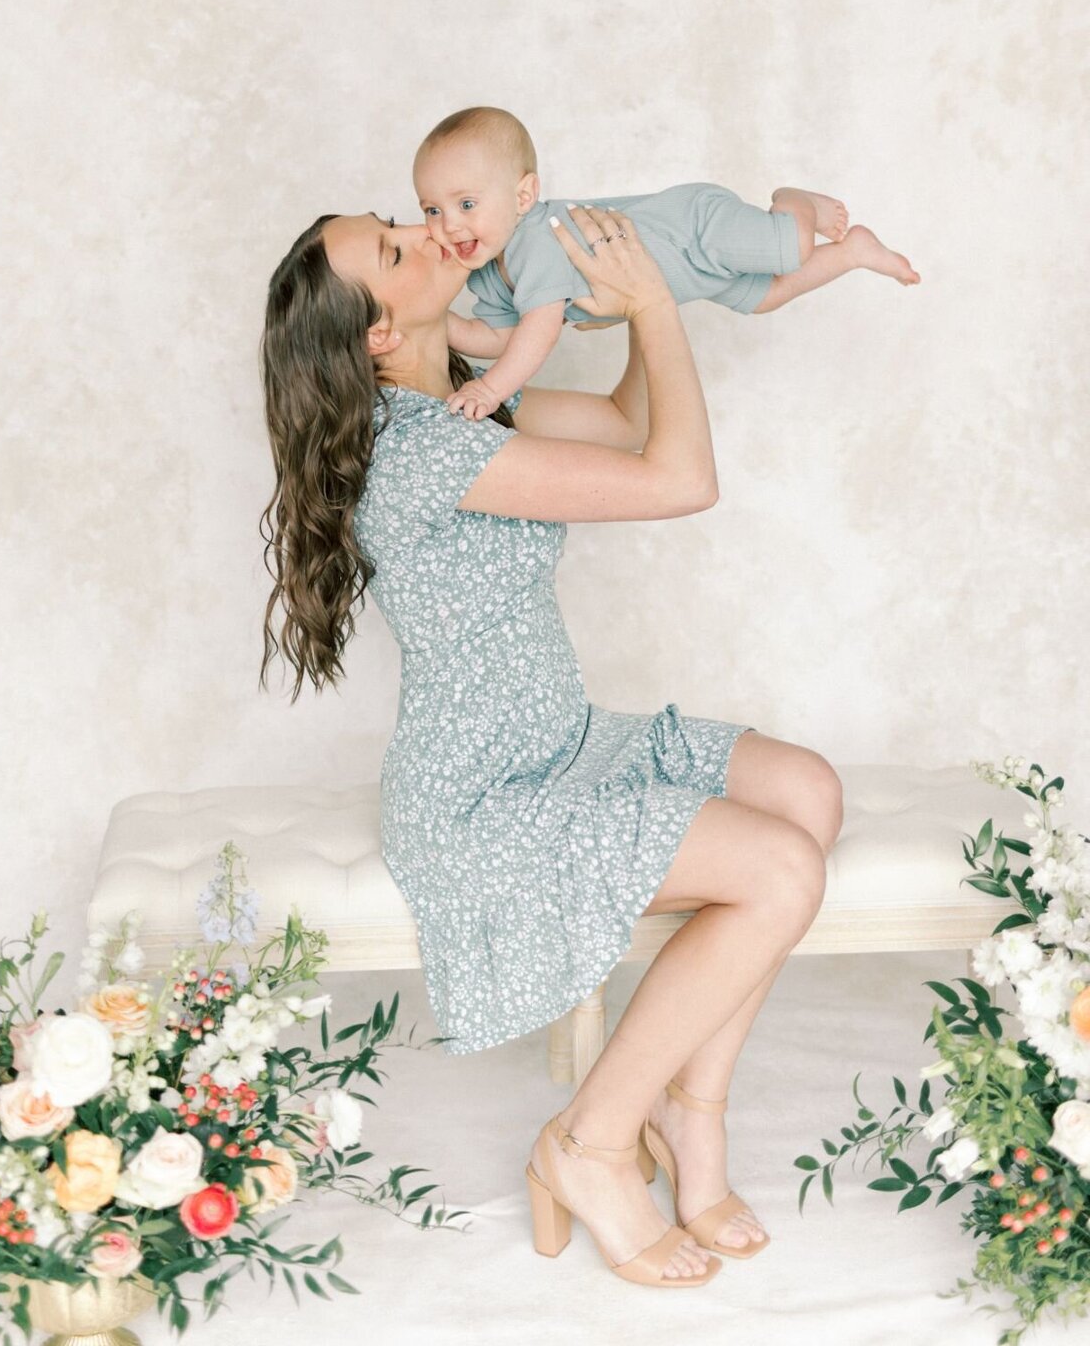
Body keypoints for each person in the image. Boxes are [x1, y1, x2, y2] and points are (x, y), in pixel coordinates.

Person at [259, 199, 843, 1288]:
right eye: (396, 250)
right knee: (779, 870)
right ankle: (589, 1143)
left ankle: (685, 1106)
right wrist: (658, 303)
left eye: (398, 221)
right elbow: (679, 480)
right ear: (379, 333)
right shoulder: (418, 450)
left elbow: (628, 424)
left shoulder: (477, 401)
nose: (425, 230)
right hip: (483, 793)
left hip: (560, 739)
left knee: (805, 791)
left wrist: (623, 301)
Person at [410, 104, 919, 419]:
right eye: (432, 210)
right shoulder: (492, 272)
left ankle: (793, 200)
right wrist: (441, 320)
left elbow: (539, 332)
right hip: (687, 277)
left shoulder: (535, 241)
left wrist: (491, 388)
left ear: (524, 196)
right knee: (768, 296)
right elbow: (501, 338)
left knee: (794, 247)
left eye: (467, 204)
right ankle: (853, 251)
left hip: (695, 228)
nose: (449, 225)